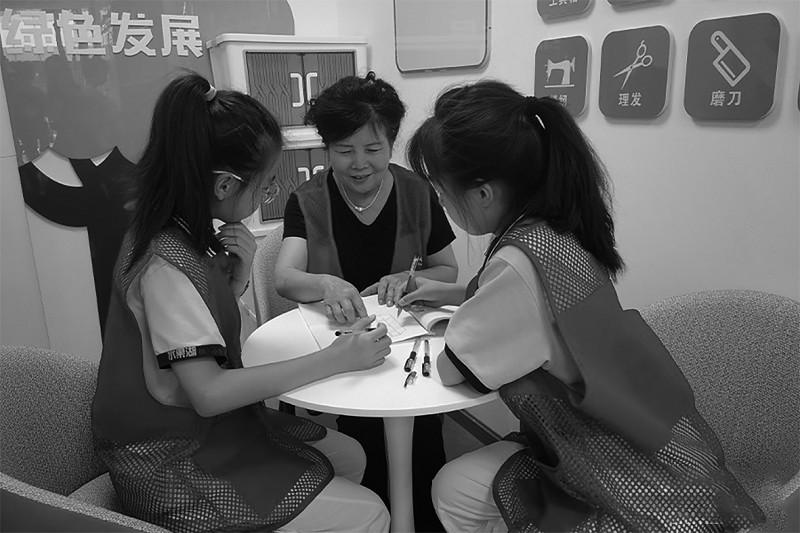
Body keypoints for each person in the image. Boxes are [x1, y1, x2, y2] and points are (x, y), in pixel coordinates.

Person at [400, 80, 765, 532]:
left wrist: (449, 321)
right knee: (457, 484)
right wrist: (456, 295)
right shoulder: (556, 230)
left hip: (607, 457)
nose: (441, 203)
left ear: (483, 193)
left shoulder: (517, 263)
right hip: (654, 438)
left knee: (454, 487)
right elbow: (541, 306)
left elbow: (457, 368)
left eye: (441, 192)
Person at [91, 72, 392, 533]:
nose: (268, 194)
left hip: (200, 428)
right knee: (372, 512)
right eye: (265, 184)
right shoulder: (166, 263)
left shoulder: (181, 234)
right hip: (167, 457)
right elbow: (210, 393)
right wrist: (335, 358)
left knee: (349, 455)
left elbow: (190, 341)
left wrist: (233, 284)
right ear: (225, 186)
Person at [274, 72, 457, 532]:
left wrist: (411, 278)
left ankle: (420, 516)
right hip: (344, 352)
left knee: (423, 427)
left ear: (391, 143)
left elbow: (448, 270)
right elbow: (285, 278)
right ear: (326, 149)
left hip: (409, 345)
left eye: (373, 149)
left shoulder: (417, 192)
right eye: (344, 150)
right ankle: (377, 514)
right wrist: (326, 284)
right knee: (365, 435)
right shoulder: (308, 199)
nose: (359, 164)